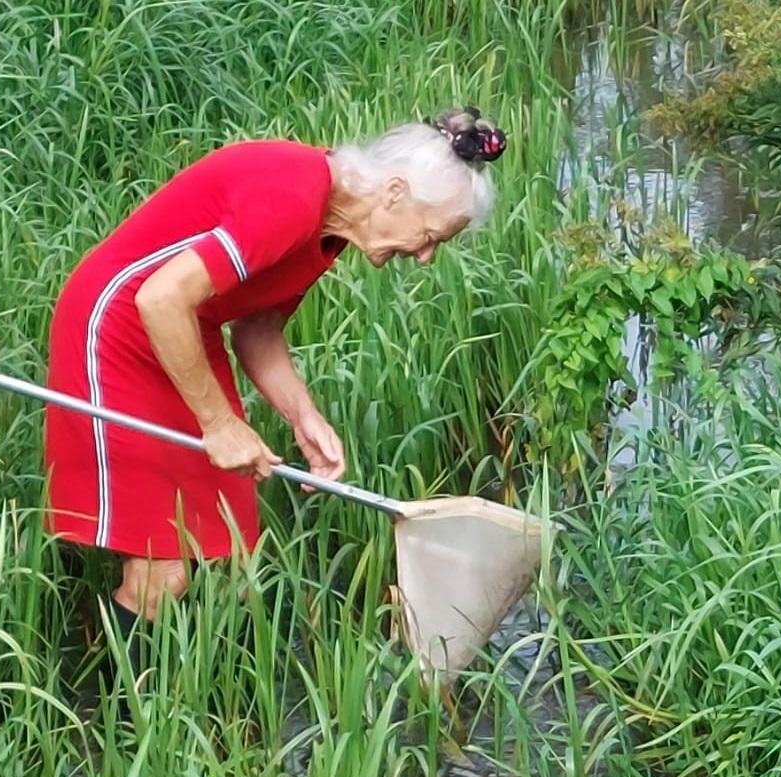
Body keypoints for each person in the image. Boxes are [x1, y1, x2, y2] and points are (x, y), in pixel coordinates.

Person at [42, 105, 507, 685]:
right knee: (166, 566)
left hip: (184, 330)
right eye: (430, 236)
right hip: (119, 330)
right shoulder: (292, 198)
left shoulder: (328, 232)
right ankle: (107, 725)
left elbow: (258, 328)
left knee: (229, 545)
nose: (426, 255)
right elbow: (158, 299)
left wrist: (304, 417)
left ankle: (173, 694)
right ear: (393, 193)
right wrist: (218, 423)